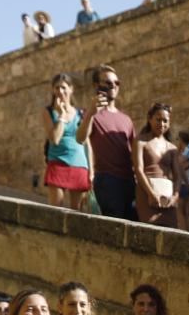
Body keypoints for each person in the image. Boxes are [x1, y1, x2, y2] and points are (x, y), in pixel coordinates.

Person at [79, 65, 143, 220]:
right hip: (108, 181)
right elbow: (80, 138)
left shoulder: (126, 119)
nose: (113, 85)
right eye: (108, 82)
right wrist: (90, 114)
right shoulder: (92, 114)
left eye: (116, 82)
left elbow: (132, 152)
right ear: (96, 85)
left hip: (129, 181)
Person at [43, 72, 91, 210]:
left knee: (77, 214)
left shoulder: (80, 113)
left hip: (79, 164)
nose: (60, 91)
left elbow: (87, 144)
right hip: (57, 163)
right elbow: (55, 139)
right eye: (57, 88)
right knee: (55, 212)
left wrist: (91, 171)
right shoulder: (48, 112)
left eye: (64, 87)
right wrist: (62, 116)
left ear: (71, 89)